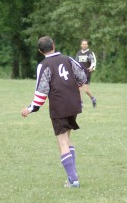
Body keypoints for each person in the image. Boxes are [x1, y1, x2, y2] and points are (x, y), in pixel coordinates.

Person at [21, 36, 86, 188]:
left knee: (62, 142)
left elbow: (41, 92)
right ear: (54, 45)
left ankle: (73, 180)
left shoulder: (43, 65)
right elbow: (82, 77)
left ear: (40, 51)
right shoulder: (68, 59)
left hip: (59, 106)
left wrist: (31, 108)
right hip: (73, 104)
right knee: (68, 138)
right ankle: (72, 175)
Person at [75, 39, 97, 107]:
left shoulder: (89, 53)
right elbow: (75, 62)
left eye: (85, 44)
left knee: (86, 90)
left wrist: (92, 67)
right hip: (79, 73)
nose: (84, 45)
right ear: (81, 45)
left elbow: (93, 62)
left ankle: (93, 99)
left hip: (87, 73)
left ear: (87, 45)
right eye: (83, 44)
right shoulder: (78, 53)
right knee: (79, 88)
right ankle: (81, 103)